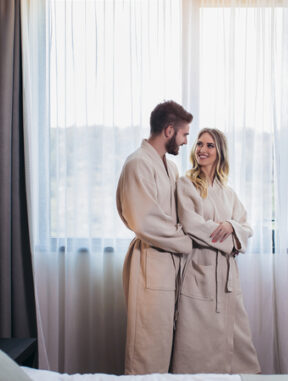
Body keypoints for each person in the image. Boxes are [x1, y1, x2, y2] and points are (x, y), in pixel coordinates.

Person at [171, 128, 260, 374]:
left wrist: (231, 226)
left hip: (228, 276)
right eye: (199, 144)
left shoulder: (228, 193)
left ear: (219, 152)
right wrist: (231, 239)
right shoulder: (186, 184)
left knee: (238, 341)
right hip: (199, 270)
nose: (202, 149)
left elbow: (246, 227)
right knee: (197, 340)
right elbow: (191, 224)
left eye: (210, 145)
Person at [116, 100, 194, 374]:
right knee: (147, 348)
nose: (186, 142)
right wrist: (186, 241)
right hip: (149, 262)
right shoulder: (137, 164)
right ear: (169, 130)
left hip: (169, 263)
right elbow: (144, 219)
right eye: (184, 134)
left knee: (169, 346)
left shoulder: (170, 169)